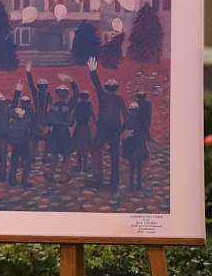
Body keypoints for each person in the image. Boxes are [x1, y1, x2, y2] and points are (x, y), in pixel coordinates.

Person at [86, 57, 129, 191]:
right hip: (113, 130)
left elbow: (97, 85)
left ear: (107, 87)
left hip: (104, 129)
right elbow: (126, 117)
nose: (110, 80)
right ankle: (113, 184)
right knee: (114, 156)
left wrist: (93, 71)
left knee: (96, 149)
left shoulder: (103, 96)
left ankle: (97, 180)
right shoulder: (119, 98)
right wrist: (120, 130)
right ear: (116, 87)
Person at [44, 75, 79, 184]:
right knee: (66, 155)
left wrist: (50, 127)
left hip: (56, 131)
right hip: (63, 131)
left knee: (55, 154)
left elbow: (50, 119)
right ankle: (62, 176)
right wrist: (71, 80)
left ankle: (51, 175)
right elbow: (76, 94)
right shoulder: (69, 105)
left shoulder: (53, 105)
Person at [123, 101, 152, 189]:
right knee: (139, 163)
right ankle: (139, 182)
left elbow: (123, 126)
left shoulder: (128, 117)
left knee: (131, 162)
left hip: (131, 141)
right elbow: (146, 129)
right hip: (140, 141)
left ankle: (131, 181)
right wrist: (149, 139)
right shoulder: (142, 117)